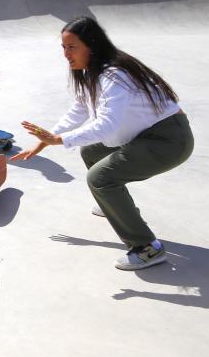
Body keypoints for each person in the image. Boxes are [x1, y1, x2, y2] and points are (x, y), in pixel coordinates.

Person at [11, 16, 194, 270]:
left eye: (72, 47)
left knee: (100, 178)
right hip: (146, 135)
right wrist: (47, 139)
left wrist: (59, 140)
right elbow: (79, 111)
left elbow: (108, 125)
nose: (66, 55)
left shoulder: (114, 76)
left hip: (169, 139)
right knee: (91, 151)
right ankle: (114, 204)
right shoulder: (92, 74)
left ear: (92, 46)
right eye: (63, 48)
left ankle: (147, 247)